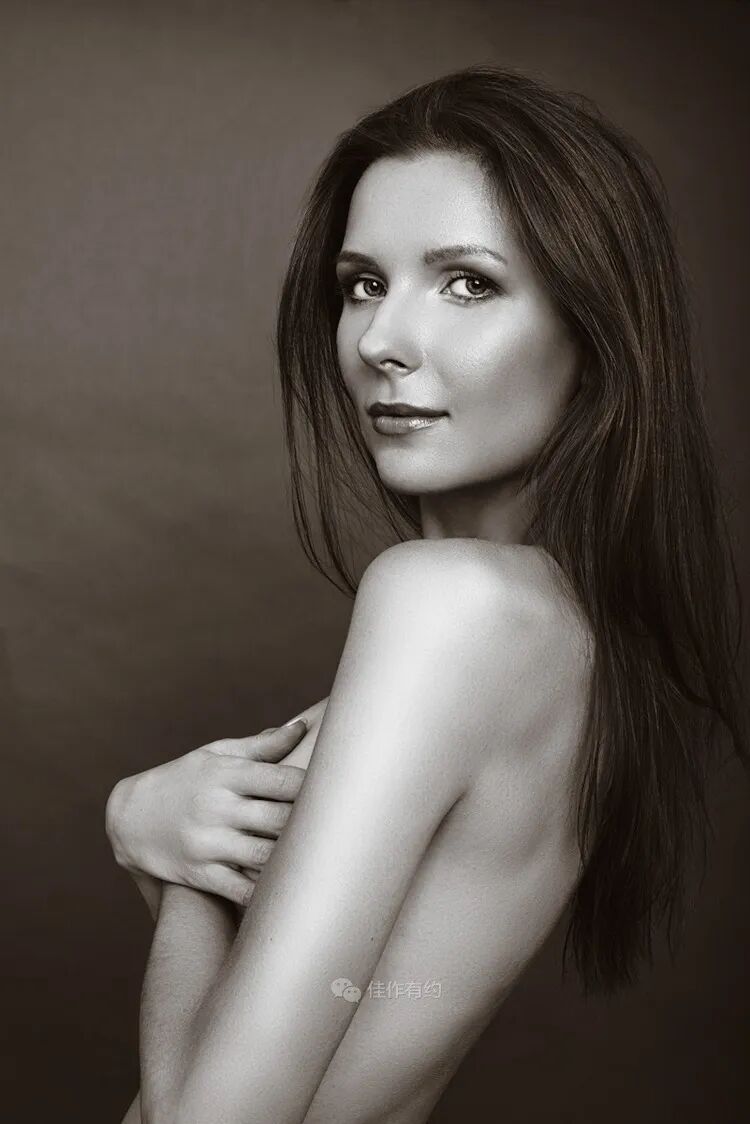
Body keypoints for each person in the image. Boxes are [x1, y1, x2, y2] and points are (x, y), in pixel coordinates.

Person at [105, 65, 749, 1124]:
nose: (379, 341)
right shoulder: (558, 633)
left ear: (596, 331)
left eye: (467, 284)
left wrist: (160, 854)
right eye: (364, 283)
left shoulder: (448, 606)